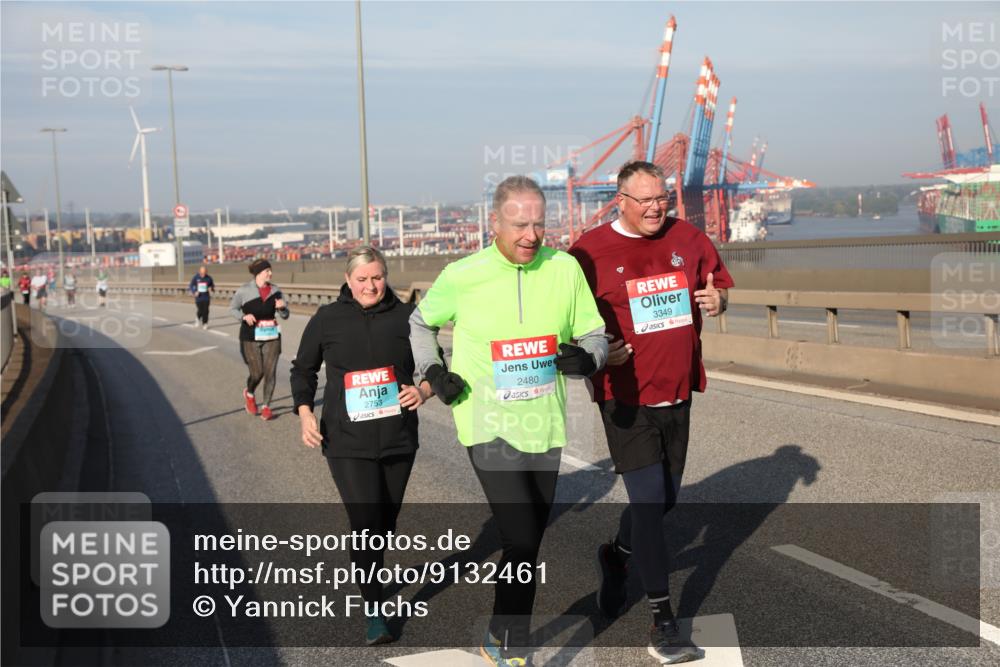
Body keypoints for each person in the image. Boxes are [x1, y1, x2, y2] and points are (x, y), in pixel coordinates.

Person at [410, 175, 608, 666]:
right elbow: (419, 322)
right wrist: (433, 370)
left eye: (540, 224)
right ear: (494, 221)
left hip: (545, 424)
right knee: (520, 535)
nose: (532, 235)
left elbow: (593, 331)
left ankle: (498, 629)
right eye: (520, 225)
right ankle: (515, 648)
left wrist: (590, 359)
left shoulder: (564, 268)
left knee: (528, 542)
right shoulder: (463, 273)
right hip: (486, 422)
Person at [568, 160, 733, 665]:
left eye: (662, 199)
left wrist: (719, 301)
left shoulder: (689, 238)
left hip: (678, 392)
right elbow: (566, 319)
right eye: (645, 201)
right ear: (620, 200)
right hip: (625, 397)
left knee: (664, 502)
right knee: (647, 505)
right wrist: (594, 350)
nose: (656, 208)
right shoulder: (587, 252)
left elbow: (719, 285)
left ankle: (615, 556)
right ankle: (664, 623)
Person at [291, 245, 429, 645]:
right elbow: (304, 369)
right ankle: (374, 610)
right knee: (367, 524)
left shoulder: (408, 318)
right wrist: (304, 412)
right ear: (349, 281)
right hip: (346, 441)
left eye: (377, 277)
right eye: (362, 279)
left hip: (398, 439)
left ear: (386, 277)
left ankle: (367, 561)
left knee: (383, 526)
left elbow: (434, 365)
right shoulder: (327, 319)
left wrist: (423, 389)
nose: (370, 285)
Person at [229, 258, 289, 421]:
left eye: (270, 270)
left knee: (270, 372)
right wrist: (243, 316)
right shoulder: (244, 291)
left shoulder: (276, 290)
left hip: (272, 336)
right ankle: (249, 393)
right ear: (258, 274)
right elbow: (232, 308)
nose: (270, 273)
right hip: (250, 337)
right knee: (257, 372)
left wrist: (282, 308)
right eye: (267, 271)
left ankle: (266, 407)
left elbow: (285, 314)